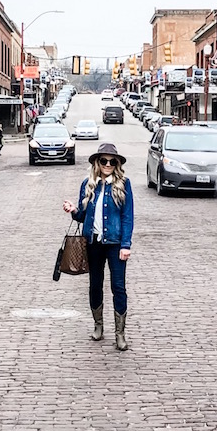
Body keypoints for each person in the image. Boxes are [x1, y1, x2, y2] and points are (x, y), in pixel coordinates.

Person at [63, 141, 133, 352]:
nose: (108, 164)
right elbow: (83, 216)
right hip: (93, 242)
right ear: (97, 162)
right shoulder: (88, 184)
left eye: (112, 161)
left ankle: (120, 334)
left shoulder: (124, 184)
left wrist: (126, 244)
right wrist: (74, 210)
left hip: (115, 243)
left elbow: (127, 216)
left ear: (117, 164)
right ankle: (98, 326)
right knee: (95, 285)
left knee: (118, 287)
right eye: (104, 161)